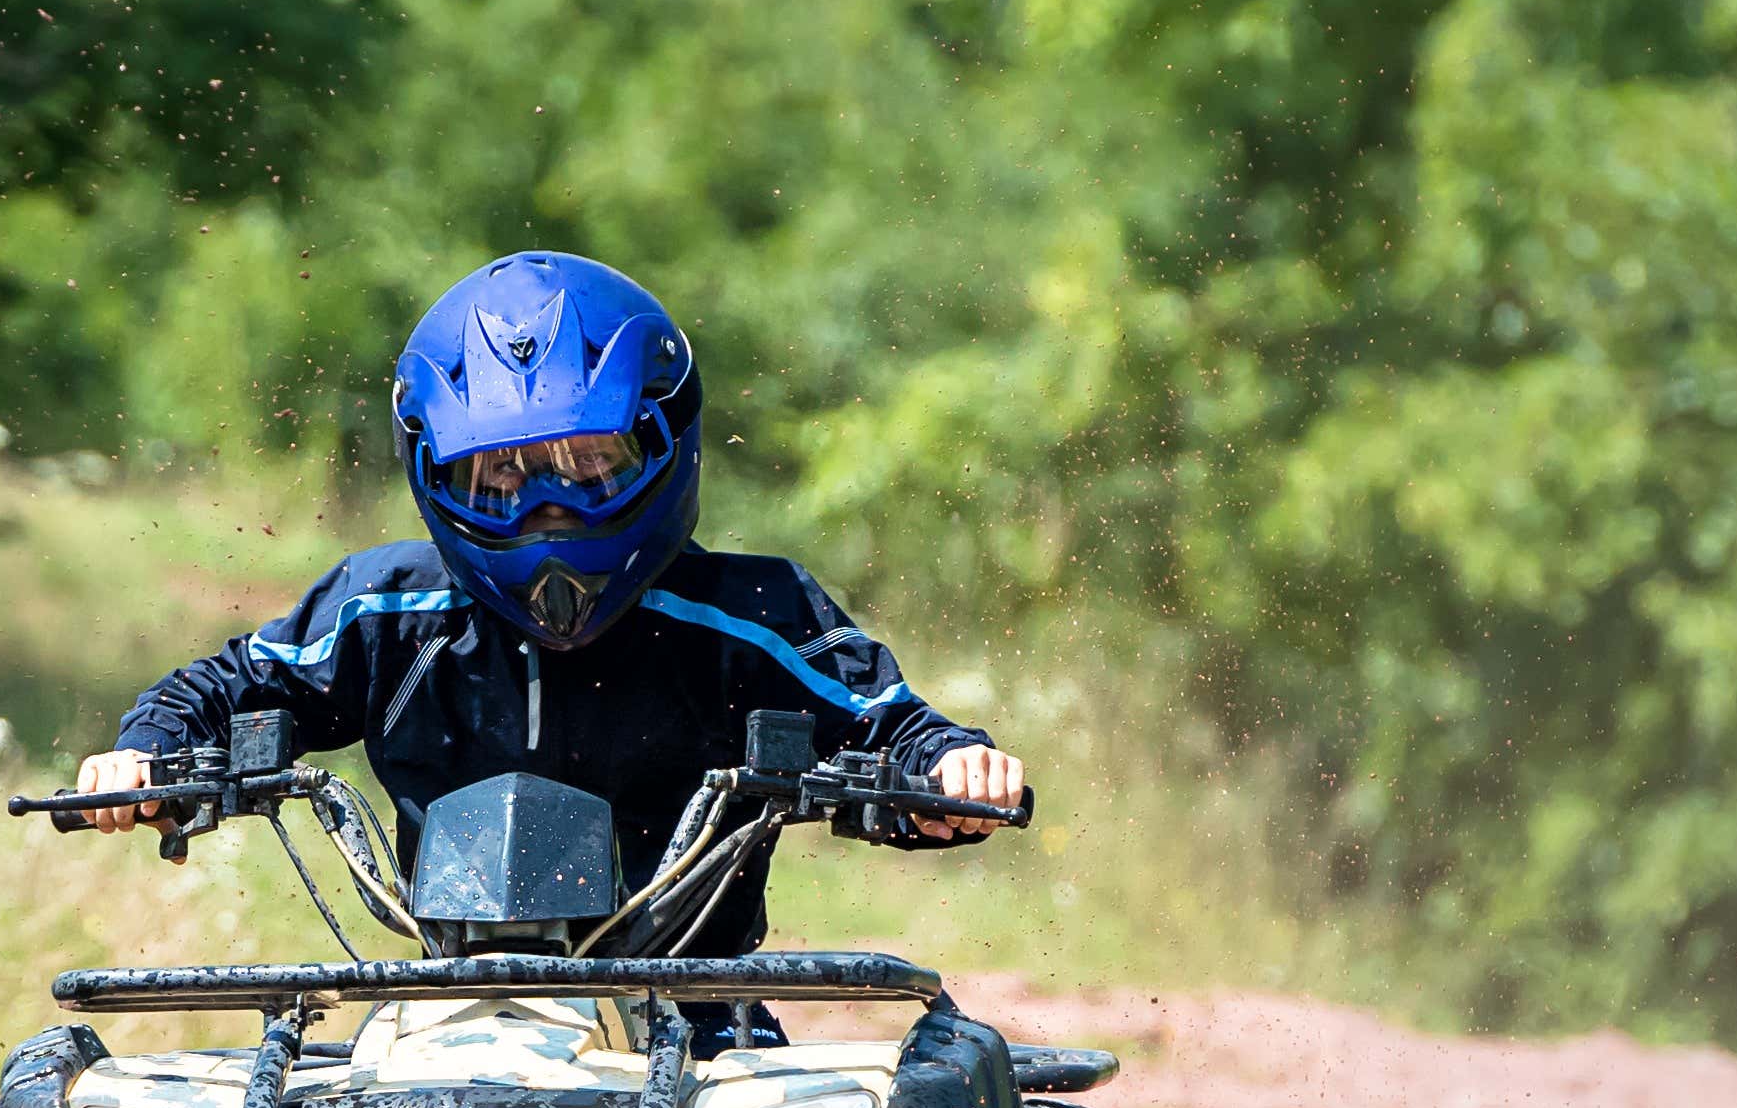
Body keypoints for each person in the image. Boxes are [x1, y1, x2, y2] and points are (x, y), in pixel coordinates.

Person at [67, 252, 1024, 959]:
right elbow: (234, 683)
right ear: (431, 472)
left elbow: (887, 725)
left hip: (699, 1026)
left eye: (587, 466)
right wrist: (146, 753)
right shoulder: (387, 612)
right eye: (499, 477)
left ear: (663, 442)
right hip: (444, 1021)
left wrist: (951, 772)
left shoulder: (749, 615)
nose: (543, 508)